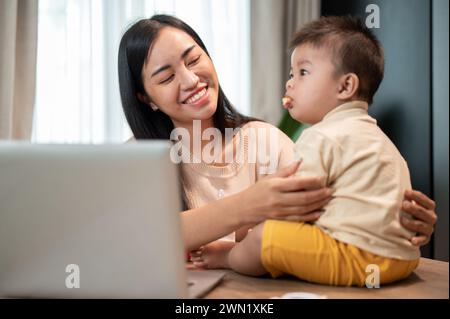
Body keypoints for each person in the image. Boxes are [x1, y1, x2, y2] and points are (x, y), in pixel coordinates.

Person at [117, 15, 437, 260]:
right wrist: (248, 205)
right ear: (147, 98)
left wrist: (391, 217)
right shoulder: (136, 159)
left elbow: (325, 220)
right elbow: (137, 240)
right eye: (167, 76)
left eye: (194, 59)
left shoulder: (265, 141)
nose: (189, 79)